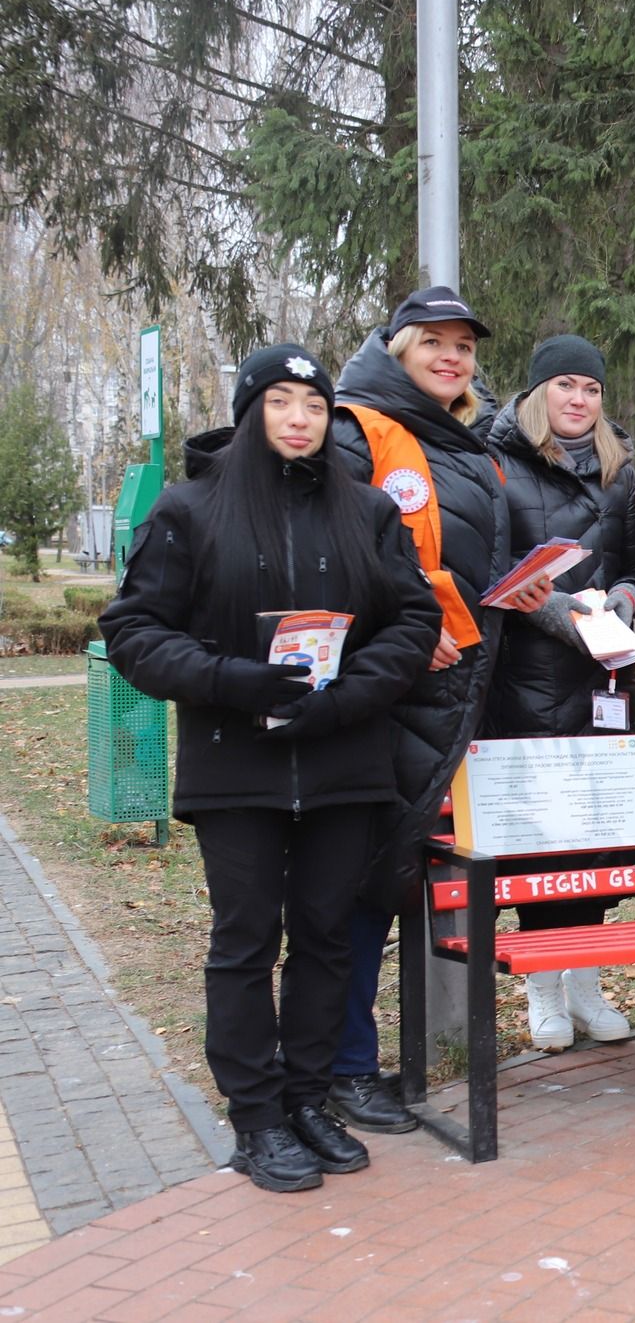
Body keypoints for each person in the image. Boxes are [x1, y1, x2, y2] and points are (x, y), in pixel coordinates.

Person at [99, 345, 440, 1191]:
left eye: (314, 405)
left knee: (327, 937)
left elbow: (411, 620)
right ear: (252, 411)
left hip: (342, 759)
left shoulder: (366, 512)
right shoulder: (190, 510)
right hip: (235, 765)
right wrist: (229, 678)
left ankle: (307, 1097)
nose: (299, 418)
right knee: (246, 940)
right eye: (281, 401)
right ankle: (256, 1117)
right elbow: (134, 630)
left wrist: (346, 697)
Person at [325, 286, 553, 1134]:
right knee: (352, 885)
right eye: (435, 342)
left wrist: (514, 587)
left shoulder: (463, 443)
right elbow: (331, 553)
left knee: (380, 883)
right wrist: (400, 630)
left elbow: (451, 556)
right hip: (384, 695)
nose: (453, 357)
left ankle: (347, 1059)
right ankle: (337, 1065)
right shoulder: (360, 428)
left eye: (463, 346)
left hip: (449, 696)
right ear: (397, 346)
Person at [481, 335, 635, 1051]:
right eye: (566, 386)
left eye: (592, 388)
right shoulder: (498, 464)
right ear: (539, 391)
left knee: (598, 840)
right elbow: (488, 570)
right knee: (543, 843)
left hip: (607, 680)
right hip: (528, 682)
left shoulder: (619, 471)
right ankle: (542, 987)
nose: (579, 400)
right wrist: (567, 615)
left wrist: (626, 600)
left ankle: (585, 983)